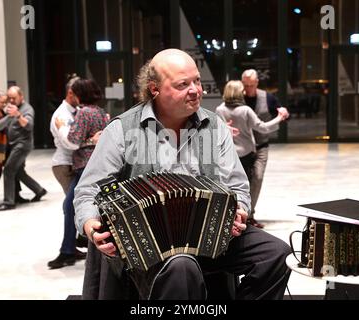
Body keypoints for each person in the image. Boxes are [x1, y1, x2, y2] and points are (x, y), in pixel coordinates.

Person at [73, 49, 291, 300]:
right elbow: (89, 189)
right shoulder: (122, 129)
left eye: (197, 81)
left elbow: (238, 185)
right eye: (183, 84)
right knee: (181, 266)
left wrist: (240, 210)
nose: (196, 90)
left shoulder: (215, 126)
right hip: (147, 246)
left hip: (212, 235)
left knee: (277, 254)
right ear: (154, 89)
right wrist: (90, 225)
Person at [47, 78, 109, 269]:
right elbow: (102, 136)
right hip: (97, 164)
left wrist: (86, 138)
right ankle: (75, 245)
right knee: (81, 205)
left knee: (71, 205)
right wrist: (92, 138)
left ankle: (68, 250)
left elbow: (73, 139)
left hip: (84, 165)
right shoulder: (100, 112)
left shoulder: (83, 112)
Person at [216, 80, 289, 222]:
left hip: (228, 154)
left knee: (229, 185)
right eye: (242, 90)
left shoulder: (220, 109)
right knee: (245, 187)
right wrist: (279, 118)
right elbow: (263, 128)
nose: (245, 92)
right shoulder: (245, 110)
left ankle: (229, 216)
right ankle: (245, 216)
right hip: (246, 154)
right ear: (238, 93)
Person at [237, 69, 287, 228]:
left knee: (257, 178)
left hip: (261, 146)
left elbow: (281, 112)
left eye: (251, 85)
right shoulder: (237, 97)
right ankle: (241, 214)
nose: (248, 89)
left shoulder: (268, 97)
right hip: (242, 148)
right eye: (246, 85)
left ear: (257, 83)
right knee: (242, 181)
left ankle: (250, 215)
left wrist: (283, 112)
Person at [0, 86, 47, 211]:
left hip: (22, 145)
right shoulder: (12, 107)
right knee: (19, 172)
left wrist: (18, 115)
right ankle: (39, 190)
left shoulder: (27, 109)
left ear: (21, 96)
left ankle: (9, 202)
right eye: (9, 98)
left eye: (14, 98)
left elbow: (28, 126)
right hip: (14, 144)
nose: (11, 100)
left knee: (8, 170)